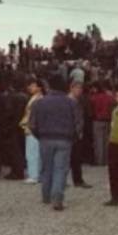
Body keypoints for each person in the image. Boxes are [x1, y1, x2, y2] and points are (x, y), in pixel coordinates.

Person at [29, 74, 79, 211]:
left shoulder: (39, 103)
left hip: (45, 138)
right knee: (60, 169)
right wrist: (73, 137)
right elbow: (78, 123)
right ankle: (57, 197)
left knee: (46, 168)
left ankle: (46, 195)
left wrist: (39, 135)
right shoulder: (71, 103)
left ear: (49, 86)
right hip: (64, 139)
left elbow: (32, 124)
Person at [68, 81, 93, 189]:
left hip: (76, 133)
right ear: (71, 88)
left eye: (80, 88)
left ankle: (78, 179)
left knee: (76, 158)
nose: (79, 90)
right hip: (69, 132)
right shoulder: (68, 101)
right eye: (77, 88)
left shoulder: (79, 100)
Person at [20, 77, 45, 184]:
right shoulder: (38, 98)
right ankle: (37, 174)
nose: (30, 87)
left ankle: (33, 175)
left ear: (39, 87)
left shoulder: (37, 99)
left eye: (33, 85)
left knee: (32, 152)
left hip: (32, 128)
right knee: (37, 152)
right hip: (36, 128)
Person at [90, 83, 117, 166]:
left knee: (98, 142)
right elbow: (115, 103)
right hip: (108, 120)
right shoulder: (109, 98)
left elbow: (91, 109)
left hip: (97, 121)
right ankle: (106, 160)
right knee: (106, 141)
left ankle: (99, 160)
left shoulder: (94, 98)